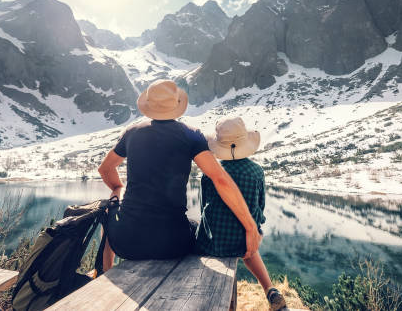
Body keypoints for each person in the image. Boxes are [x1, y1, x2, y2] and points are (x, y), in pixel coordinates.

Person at [97, 79, 262, 270]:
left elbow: (105, 169)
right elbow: (220, 179)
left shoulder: (132, 132)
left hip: (127, 244)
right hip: (173, 245)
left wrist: (117, 188)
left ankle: (103, 271)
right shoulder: (190, 134)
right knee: (192, 224)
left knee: (110, 206)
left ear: (149, 105)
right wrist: (251, 228)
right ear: (176, 105)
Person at [195, 117, 287, 311]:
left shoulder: (211, 172)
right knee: (250, 248)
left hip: (212, 243)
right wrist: (255, 227)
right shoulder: (256, 172)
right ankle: (270, 289)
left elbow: (204, 206)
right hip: (245, 242)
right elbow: (259, 208)